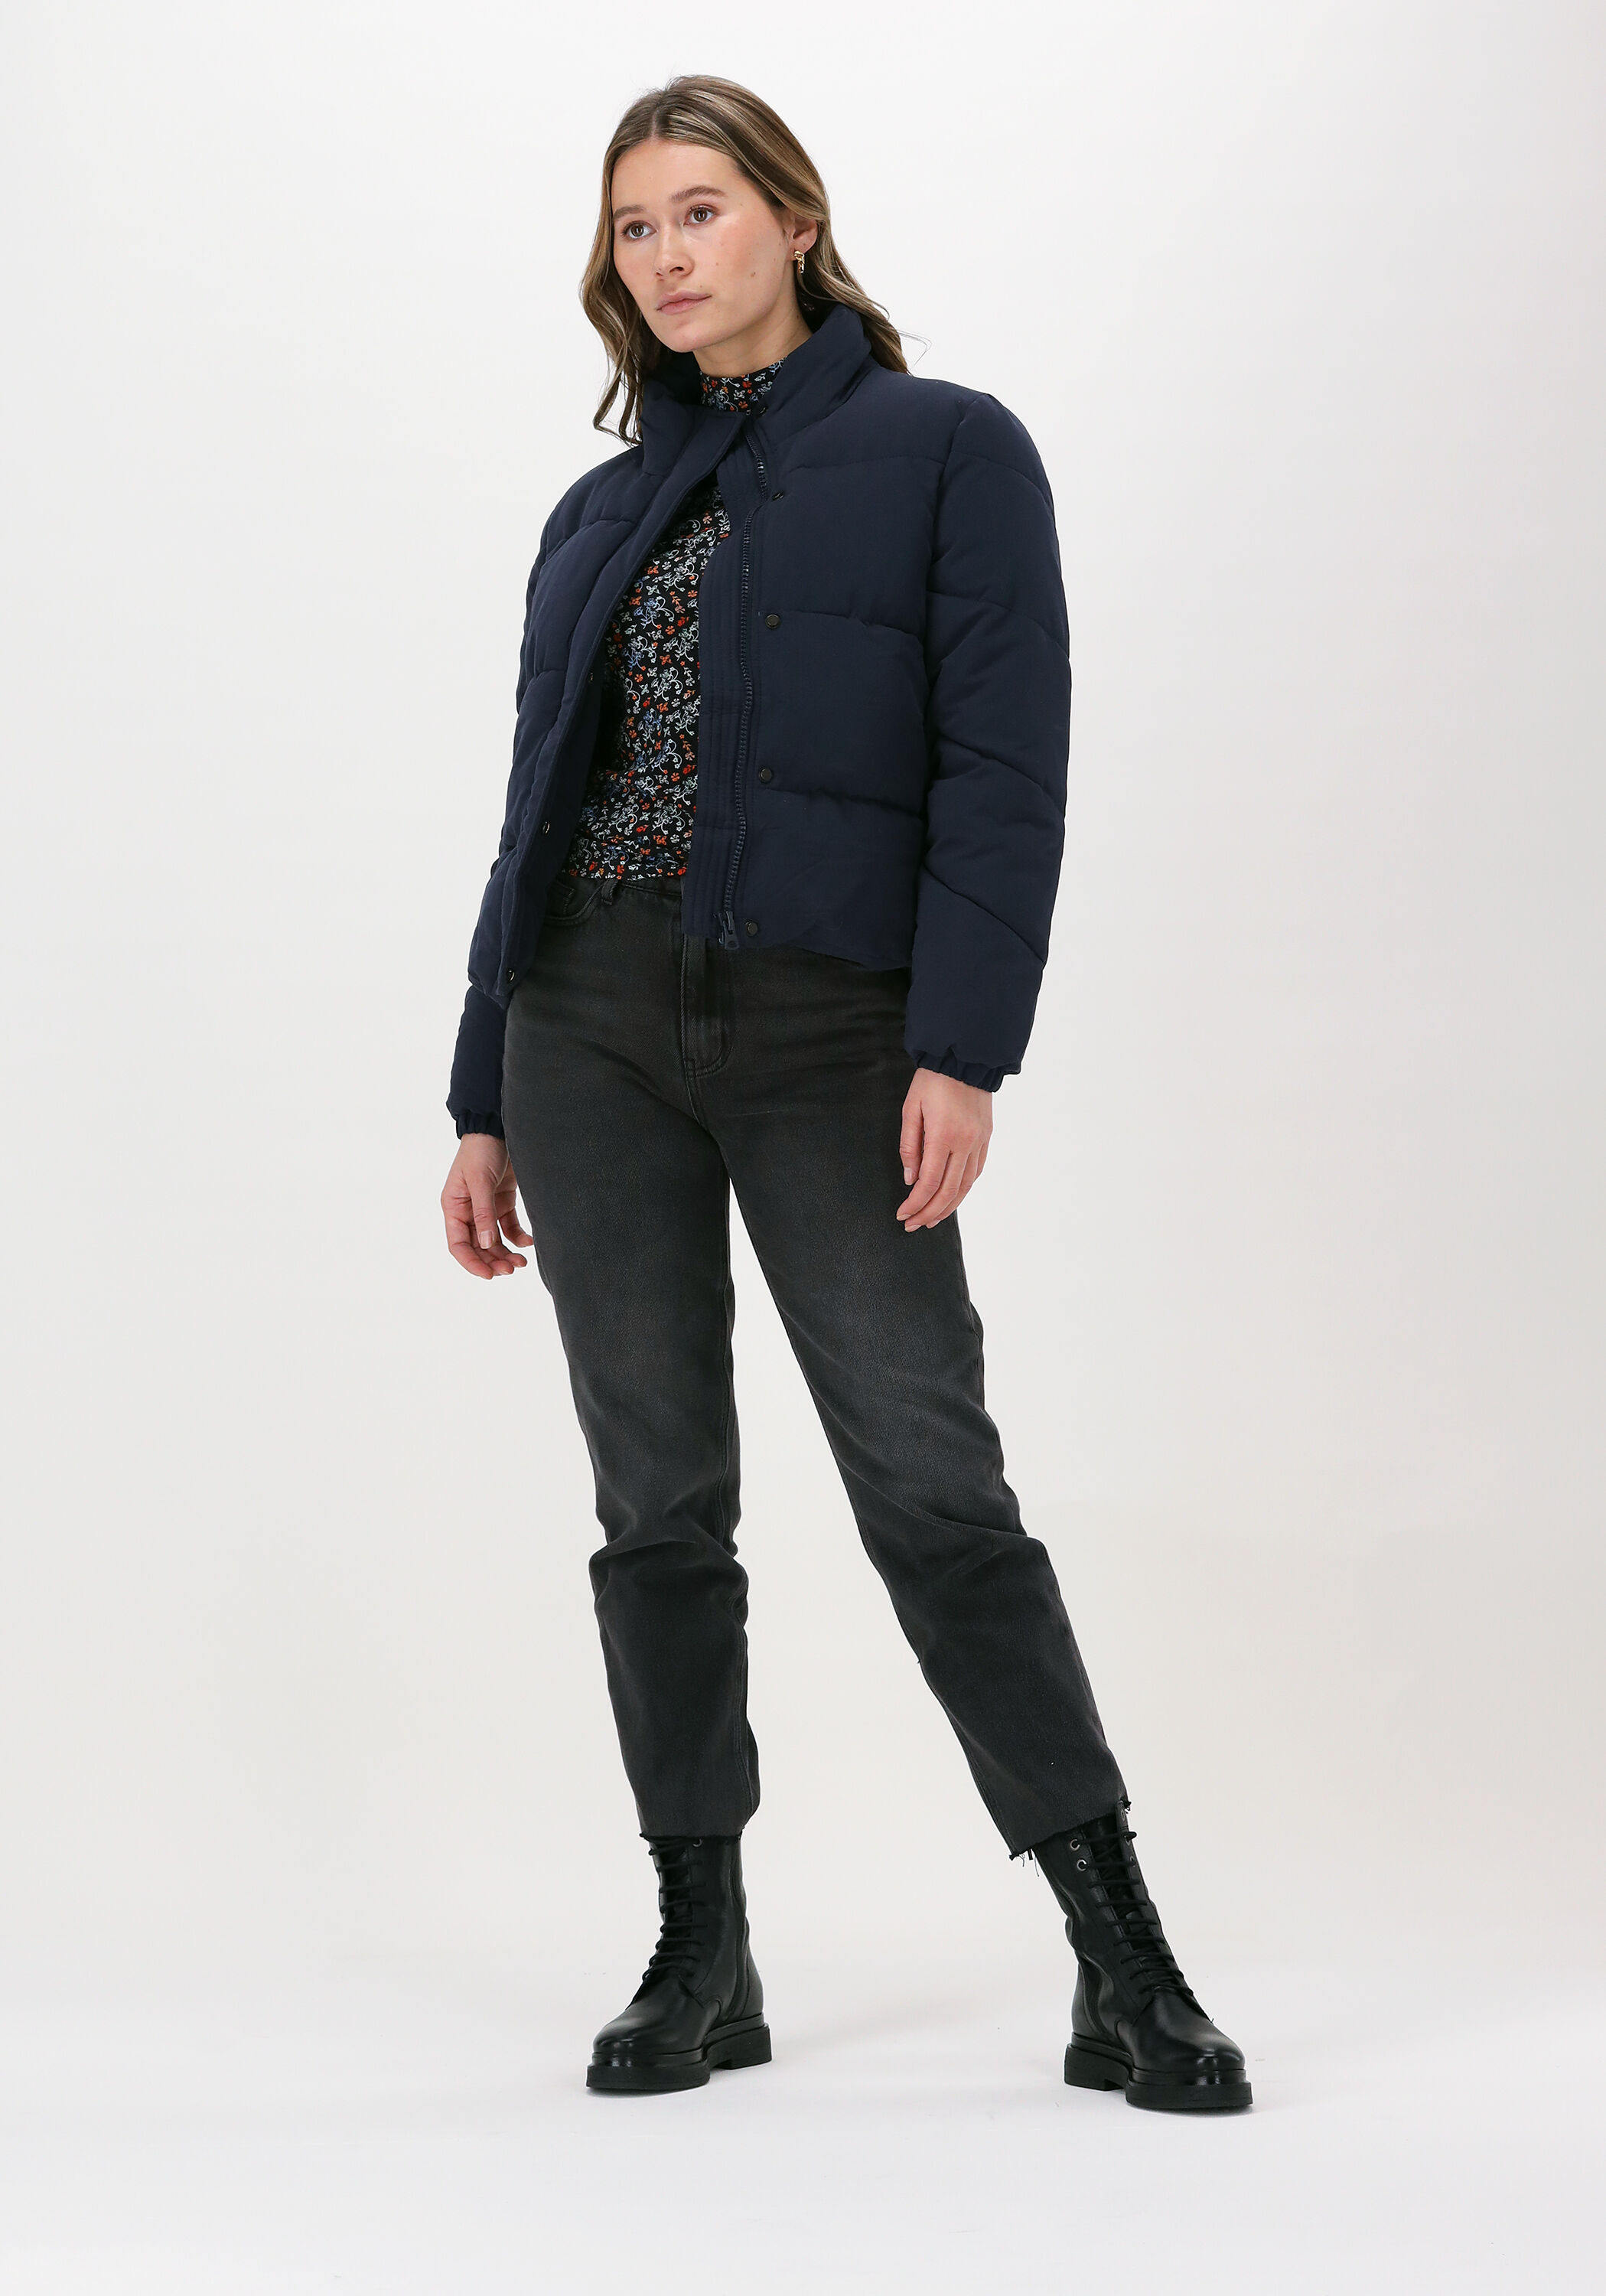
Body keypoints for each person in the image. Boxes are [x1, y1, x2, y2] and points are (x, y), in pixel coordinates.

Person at [440, 74, 1249, 2114]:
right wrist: (479, 1095)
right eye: (634, 227)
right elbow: (534, 812)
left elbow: (1006, 765)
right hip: (587, 1028)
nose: (666, 255)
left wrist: (962, 1044)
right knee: (656, 1501)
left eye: (701, 211)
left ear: (795, 222)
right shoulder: (596, 511)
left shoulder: (949, 449)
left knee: (929, 1480)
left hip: (828, 1034)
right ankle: (698, 1951)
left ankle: (1122, 1960)